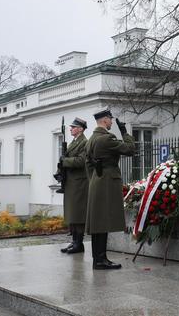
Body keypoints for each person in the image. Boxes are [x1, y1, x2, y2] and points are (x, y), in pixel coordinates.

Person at [84, 109, 136, 270]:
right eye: (110, 120)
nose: (112, 122)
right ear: (105, 120)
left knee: (99, 223)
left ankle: (99, 259)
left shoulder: (91, 139)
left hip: (96, 181)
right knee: (103, 222)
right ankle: (100, 260)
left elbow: (88, 165)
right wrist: (125, 132)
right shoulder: (106, 138)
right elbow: (130, 149)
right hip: (106, 182)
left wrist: (94, 178)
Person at [58, 117, 89, 254]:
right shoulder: (74, 142)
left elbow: (81, 161)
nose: (71, 129)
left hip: (79, 183)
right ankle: (74, 242)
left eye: (73, 127)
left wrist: (65, 161)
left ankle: (79, 243)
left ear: (81, 129)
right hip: (71, 182)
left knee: (78, 214)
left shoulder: (85, 142)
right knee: (72, 214)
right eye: (71, 127)